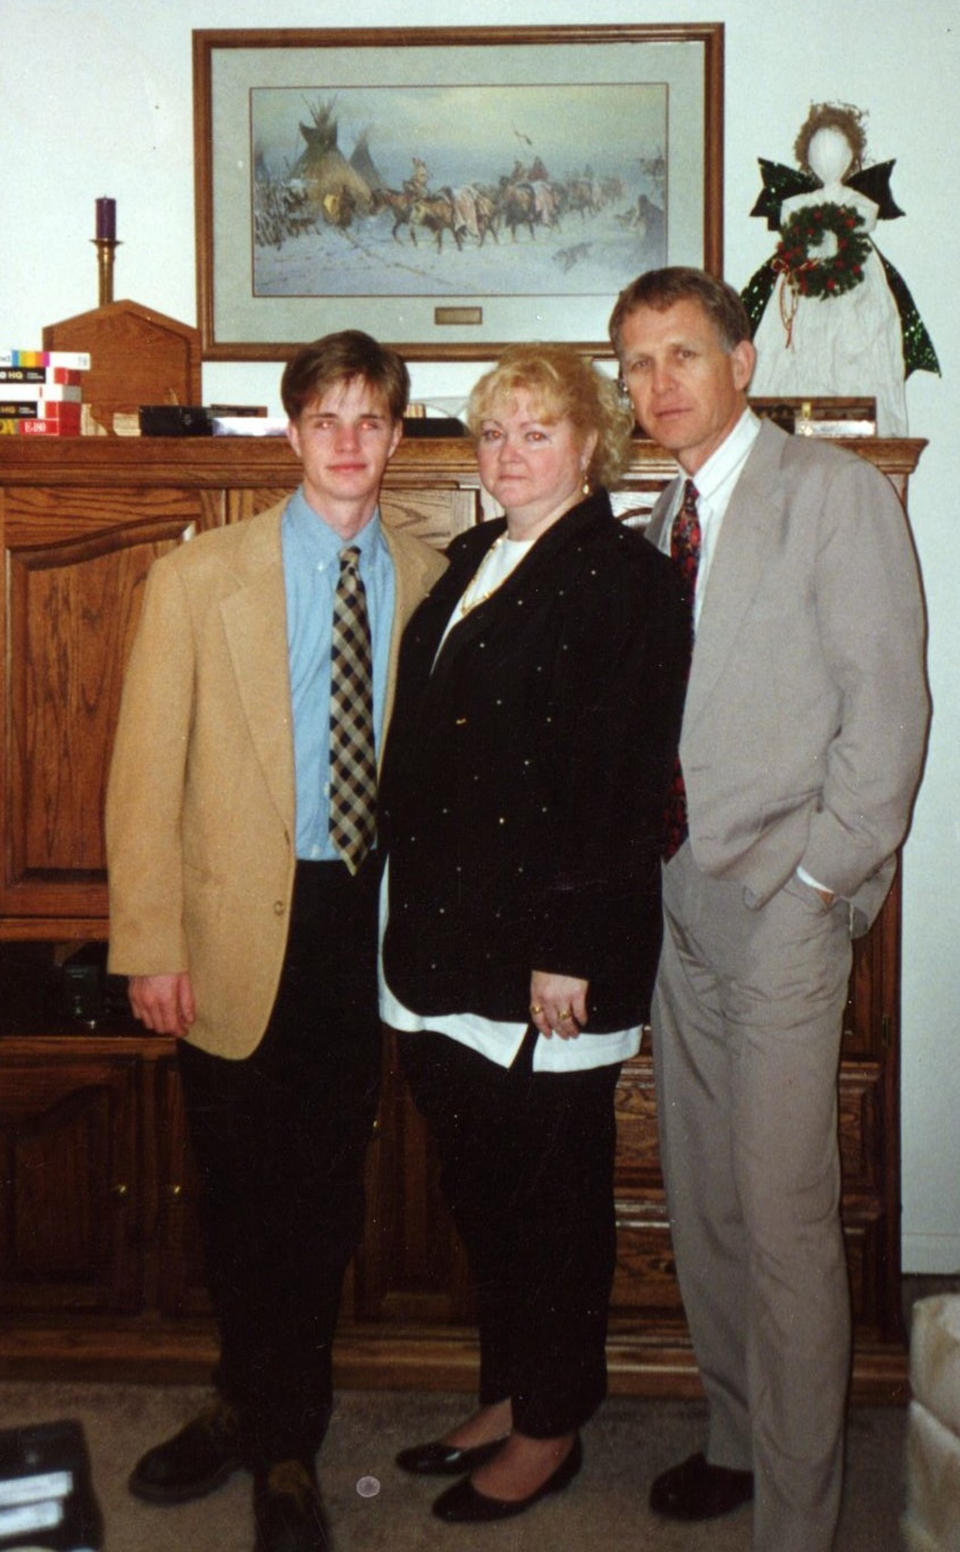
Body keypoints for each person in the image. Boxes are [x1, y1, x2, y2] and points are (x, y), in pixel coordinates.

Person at [105, 330, 446, 1552]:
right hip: (238, 926)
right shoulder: (201, 577)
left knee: (321, 1191)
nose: (351, 442)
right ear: (291, 431)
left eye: (373, 420)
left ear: (398, 437)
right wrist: (150, 941)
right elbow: (143, 781)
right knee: (239, 1186)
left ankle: (281, 1434)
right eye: (328, 418)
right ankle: (249, 1406)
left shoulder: (432, 572)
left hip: (367, 922)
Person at [608, 267, 929, 1552]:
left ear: (742, 359)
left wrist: (817, 883)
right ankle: (740, 1439)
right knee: (707, 1200)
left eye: (682, 353)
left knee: (789, 1218)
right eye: (635, 363)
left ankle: (798, 1520)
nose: (659, 383)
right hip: (682, 902)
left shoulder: (833, 496)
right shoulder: (657, 523)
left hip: (788, 904)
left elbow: (889, 718)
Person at [378, 343, 689, 1525]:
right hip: (449, 942)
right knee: (486, 1189)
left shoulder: (625, 581)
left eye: (537, 431)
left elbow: (616, 780)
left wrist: (569, 944)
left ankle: (553, 1425)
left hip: (550, 955)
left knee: (552, 1201)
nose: (510, 453)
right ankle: (511, 1390)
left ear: (591, 444)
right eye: (494, 432)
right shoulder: (474, 558)